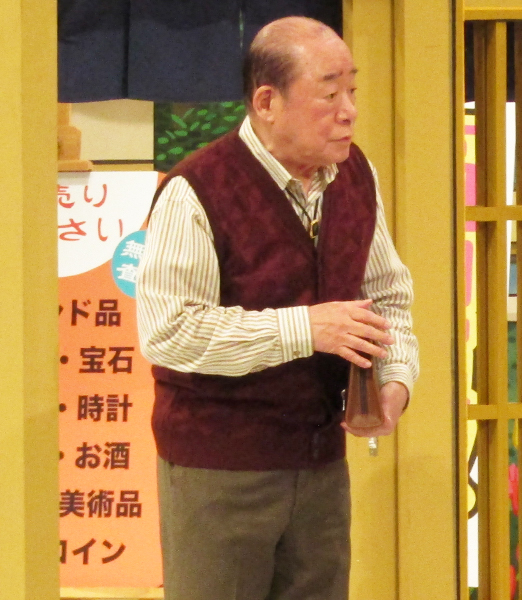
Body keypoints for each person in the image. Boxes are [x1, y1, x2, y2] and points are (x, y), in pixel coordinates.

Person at [135, 16, 418, 600]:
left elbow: (387, 293)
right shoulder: (197, 188)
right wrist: (305, 328)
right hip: (219, 470)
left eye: (352, 90)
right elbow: (169, 330)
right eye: (329, 94)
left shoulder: (355, 175)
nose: (349, 111)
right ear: (267, 102)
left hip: (321, 467)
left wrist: (396, 377)